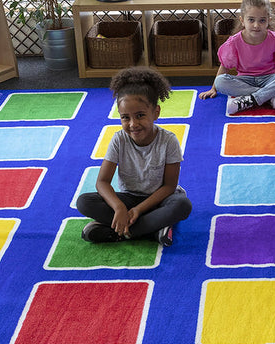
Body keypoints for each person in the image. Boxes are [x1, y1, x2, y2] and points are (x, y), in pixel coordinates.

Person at [77, 67, 192, 246]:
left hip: (159, 200)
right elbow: (102, 182)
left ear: (156, 112)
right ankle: (152, 230)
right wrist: (119, 208)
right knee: (84, 202)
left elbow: (169, 186)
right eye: (125, 117)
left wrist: (138, 210)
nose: (133, 124)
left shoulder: (169, 141)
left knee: (182, 205)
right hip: (128, 199)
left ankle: (119, 231)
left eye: (140, 116)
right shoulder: (119, 139)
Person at [198, 0, 275, 113]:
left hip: (269, 79)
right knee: (220, 81)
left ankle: (252, 99)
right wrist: (213, 88)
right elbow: (225, 66)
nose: (256, 25)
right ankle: (268, 97)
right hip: (245, 81)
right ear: (242, 20)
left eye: (262, 20)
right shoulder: (234, 42)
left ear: (268, 20)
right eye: (251, 20)